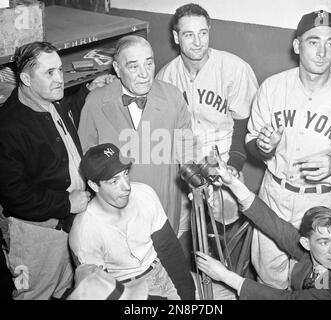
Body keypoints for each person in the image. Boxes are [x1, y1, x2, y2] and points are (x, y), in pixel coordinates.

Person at [0, 41, 114, 299]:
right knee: (36, 294)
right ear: (27, 79)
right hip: (35, 236)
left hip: (66, 224)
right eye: (49, 73)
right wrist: (65, 202)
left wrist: (86, 91)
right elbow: (14, 195)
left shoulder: (53, 99)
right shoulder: (8, 127)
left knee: (65, 289)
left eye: (60, 70)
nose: (60, 79)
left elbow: (57, 129)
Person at [245, 10, 331, 289]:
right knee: (268, 277)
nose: (322, 51)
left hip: (325, 202)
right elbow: (252, 142)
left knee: (319, 282)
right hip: (275, 196)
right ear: (297, 45)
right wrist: (265, 148)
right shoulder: (272, 87)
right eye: (313, 41)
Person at [156, 3, 258, 241]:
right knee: (179, 228)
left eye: (203, 33)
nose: (198, 41)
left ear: (209, 31)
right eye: (188, 34)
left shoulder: (234, 69)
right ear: (176, 36)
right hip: (182, 163)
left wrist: (233, 165)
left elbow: (245, 123)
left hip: (222, 157)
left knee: (223, 229)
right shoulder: (166, 76)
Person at [78, 35, 195, 235]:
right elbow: (87, 156)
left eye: (149, 64)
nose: (144, 74)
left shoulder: (173, 97)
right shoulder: (96, 101)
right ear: (116, 68)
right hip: (116, 213)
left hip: (162, 205)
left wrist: (197, 181)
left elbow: (186, 149)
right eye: (133, 67)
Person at [196, 159, 331, 299]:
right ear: (306, 243)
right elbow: (272, 223)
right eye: (324, 242)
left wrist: (226, 276)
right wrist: (231, 183)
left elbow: (287, 298)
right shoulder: (312, 254)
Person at [69, 143, 196, 300]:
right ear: (94, 185)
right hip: (125, 289)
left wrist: (188, 296)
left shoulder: (145, 194)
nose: (126, 186)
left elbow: (170, 250)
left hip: (162, 273)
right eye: (114, 181)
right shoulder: (84, 230)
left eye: (125, 174)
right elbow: (102, 292)